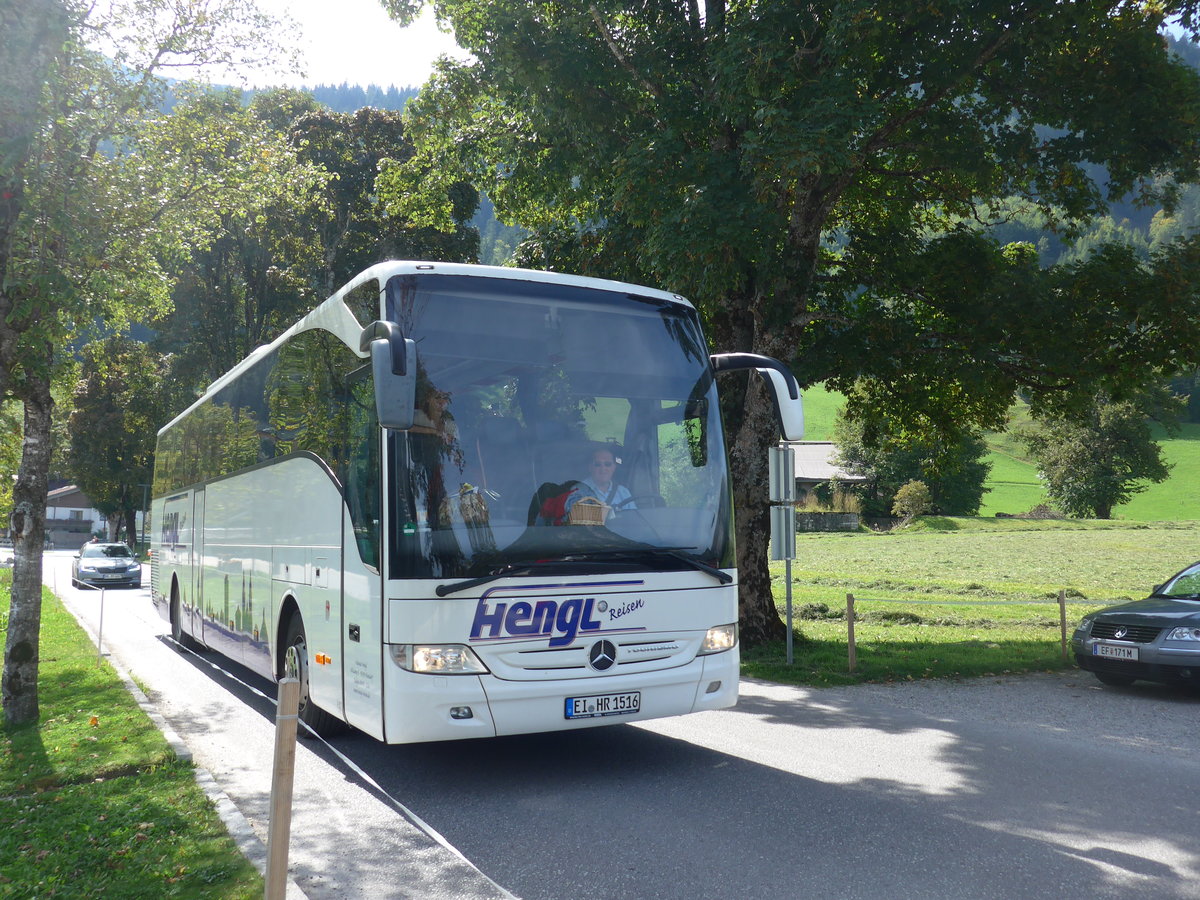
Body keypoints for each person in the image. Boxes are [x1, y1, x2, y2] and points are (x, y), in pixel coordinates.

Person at [565, 447, 636, 521]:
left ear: (614, 467)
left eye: (608, 464)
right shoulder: (577, 491)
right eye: (597, 464)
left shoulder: (623, 492)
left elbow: (634, 521)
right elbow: (573, 521)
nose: (603, 469)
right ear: (590, 467)